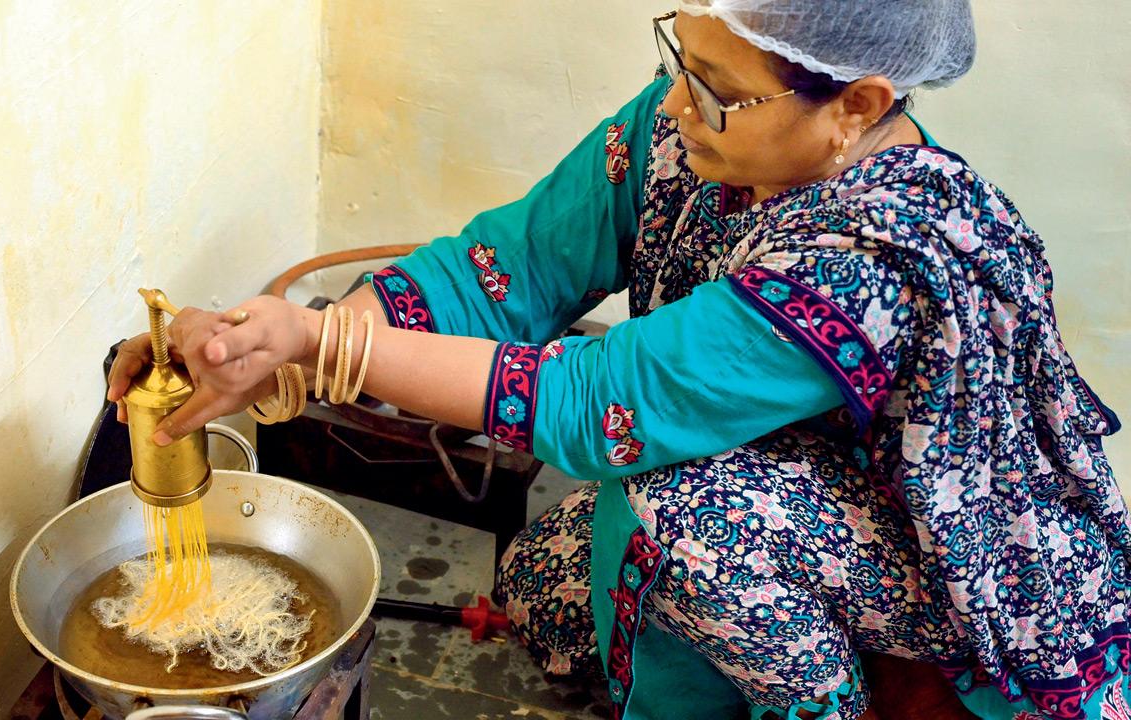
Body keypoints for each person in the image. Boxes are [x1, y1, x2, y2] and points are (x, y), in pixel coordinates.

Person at [106, 2, 1128, 718]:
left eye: (717, 89)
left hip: (918, 553)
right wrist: (267, 356)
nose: (678, 107)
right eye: (676, 62)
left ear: (855, 107)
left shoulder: (881, 256)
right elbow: (504, 270)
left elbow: (602, 402)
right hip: (765, 498)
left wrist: (317, 341)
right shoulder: (690, 132)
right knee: (549, 583)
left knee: (676, 521)